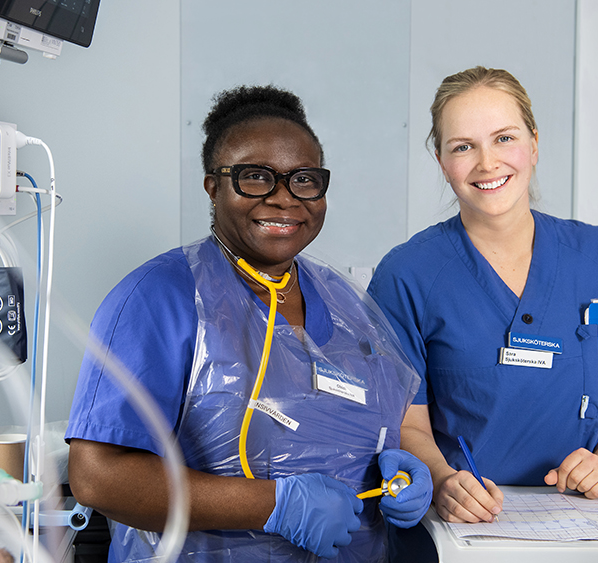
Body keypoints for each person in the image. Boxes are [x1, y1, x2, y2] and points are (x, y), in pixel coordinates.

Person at [65, 85, 432, 561]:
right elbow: (97, 477)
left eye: (304, 179)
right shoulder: (159, 298)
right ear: (212, 185)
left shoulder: (346, 304)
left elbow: (381, 427)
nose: (284, 199)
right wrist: (275, 506)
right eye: (255, 178)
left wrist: (401, 473)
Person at [367, 67, 598, 524]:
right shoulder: (407, 274)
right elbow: (406, 420)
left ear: (534, 143)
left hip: (582, 518)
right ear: (441, 160)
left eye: (504, 138)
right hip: (466, 523)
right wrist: (442, 480)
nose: (487, 163)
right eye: (462, 146)